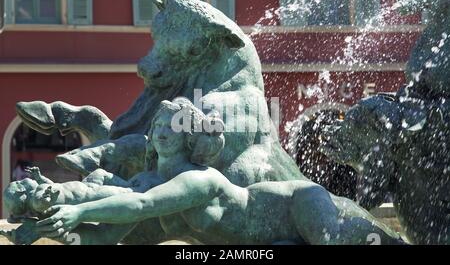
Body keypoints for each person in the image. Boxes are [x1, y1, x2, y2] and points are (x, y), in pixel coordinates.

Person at [36, 99, 402, 245]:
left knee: (335, 240)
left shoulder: (198, 179)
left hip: (294, 205)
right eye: (159, 124)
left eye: (173, 127)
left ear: (190, 139)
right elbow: (105, 239)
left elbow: (142, 207)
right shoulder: (152, 181)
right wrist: (46, 227)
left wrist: (79, 211)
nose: (162, 131)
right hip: (265, 242)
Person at [3, 166, 161, 217]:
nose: (22, 179)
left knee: (100, 173)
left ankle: (130, 185)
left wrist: (39, 178)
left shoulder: (38, 191)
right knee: (129, 193)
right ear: (20, 191)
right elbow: (41, 203)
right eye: (19, 182)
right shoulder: (36, 199)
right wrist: (45, 197)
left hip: (86, 185)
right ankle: (151, 188)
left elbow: (53, 187)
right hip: (92, 196)